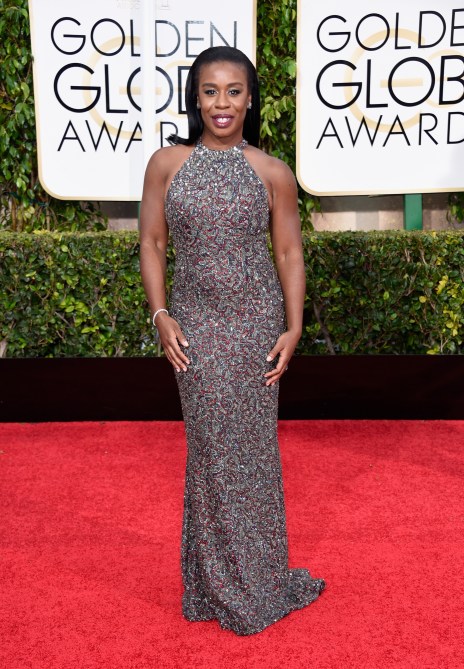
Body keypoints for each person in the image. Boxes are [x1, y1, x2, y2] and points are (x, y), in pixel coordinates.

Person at [140, 46, 325, 636]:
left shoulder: (272, 172)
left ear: (250, 100)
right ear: (195, 98)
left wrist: (294, 327)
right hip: (194, 324)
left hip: (255, 324)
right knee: (211, 448)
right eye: (211, 90)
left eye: (234, 91)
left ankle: (255, 579)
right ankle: (214, 582)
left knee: (253, 452)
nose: (222, 103)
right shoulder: (166, 164)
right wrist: (160, 314)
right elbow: (151, 243)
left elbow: (289, 252)